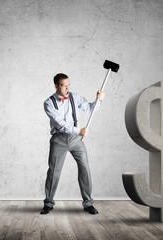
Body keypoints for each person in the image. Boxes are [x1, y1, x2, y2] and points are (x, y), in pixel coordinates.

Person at [41, 73, 104, 215]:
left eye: (69, 84)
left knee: (85, 168)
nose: (68, 88)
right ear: (56, 86)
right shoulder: (49, 103)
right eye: (64, 85)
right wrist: (79, 131)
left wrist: (98, 100)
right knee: (54, 171)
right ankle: (48, 203)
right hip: (59, 140)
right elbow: (61, 123)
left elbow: (89, 109)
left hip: (76, 140)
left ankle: (88, 203)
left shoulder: (75, 97)